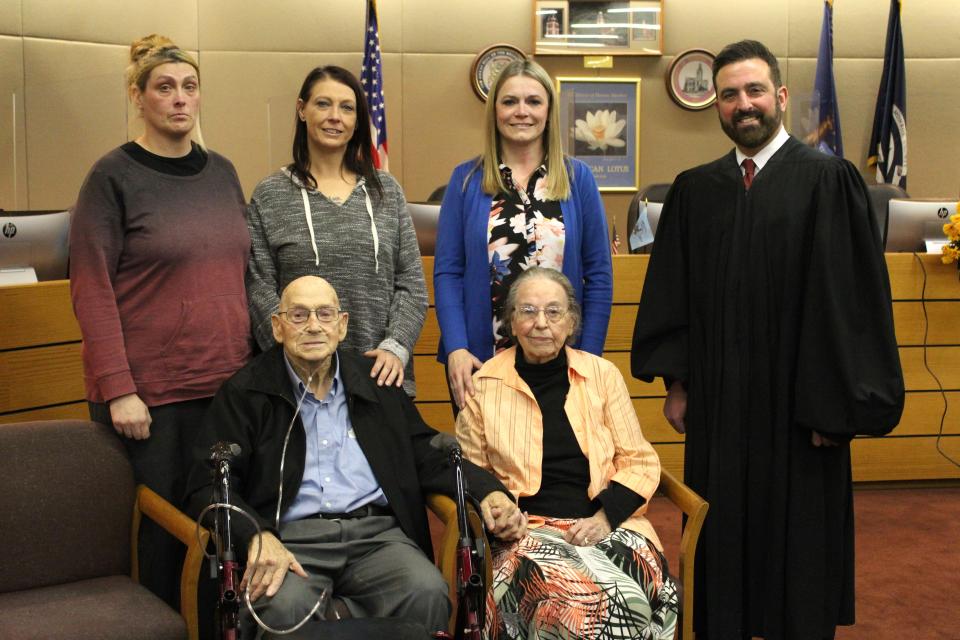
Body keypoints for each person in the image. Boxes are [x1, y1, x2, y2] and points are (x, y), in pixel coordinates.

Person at [630, 40, 905, 640]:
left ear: (780, 96)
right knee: (721, 541)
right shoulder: (695, 190)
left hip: (800, 411)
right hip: (720, 408)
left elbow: (852, 306)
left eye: (755, 91)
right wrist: (678, 384)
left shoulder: (829, 181)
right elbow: (674, 293)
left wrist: (836, 408)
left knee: (799, 549)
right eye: (730, 95)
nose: (743, 104)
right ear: (718, 107)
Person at [185, 275, 525, 636]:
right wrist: (255, 535)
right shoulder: (247, 392)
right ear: (278, 327)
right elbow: (207, 484)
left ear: (342, 325)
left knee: (424, 592)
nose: (314, 326)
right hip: (291, 540)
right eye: (299, 316)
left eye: (325, 314)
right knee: (281, 607)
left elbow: (428, 452)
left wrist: (487, 491)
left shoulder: (375, 384)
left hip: (377, 538)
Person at [68, 34, 251, 607]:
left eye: (189, 88)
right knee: (161, 547)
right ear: (138, 96)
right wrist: (120, 389)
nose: (179, 100)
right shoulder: (112, 176)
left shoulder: (222, 172)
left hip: (225, 388)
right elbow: (91, 289)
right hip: (149, 402)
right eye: (164, 88)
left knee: (224, 535)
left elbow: (242, 273)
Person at [457, 267, 678, 640]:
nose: (540, 323)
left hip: (609, 524)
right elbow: (470, 472)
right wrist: (497, 513)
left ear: (571, 321)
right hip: (526, 532)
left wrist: (606, 517)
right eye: (527, 311)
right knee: (567, 602)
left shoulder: (603, 375)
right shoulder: (484, 386)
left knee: (635, 591)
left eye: (553, 312)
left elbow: (639, 460)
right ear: (511, 322)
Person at [434, 59, 612, 412]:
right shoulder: (466, 180)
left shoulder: (578, 179)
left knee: (560, 464)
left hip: (564, 362)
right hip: (481, 363)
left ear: (548, 111)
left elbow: (600, 276)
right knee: (484, 467)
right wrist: (456, 348)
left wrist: (589, 357)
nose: (522, 112)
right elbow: (448, 272)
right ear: (494, 111)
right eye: (509, 101)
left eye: (533, 101)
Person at [245, 66, 426, 396]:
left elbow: (411, 282)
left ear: (357, 121)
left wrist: (396, 346)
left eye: (347, 107)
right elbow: (260, 289)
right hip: (299, 381)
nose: (335, 117)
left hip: (380, 376)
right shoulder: (270, 195)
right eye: (323, 104)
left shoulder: (386, 190)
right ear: (302, 110)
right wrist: (297, 355)